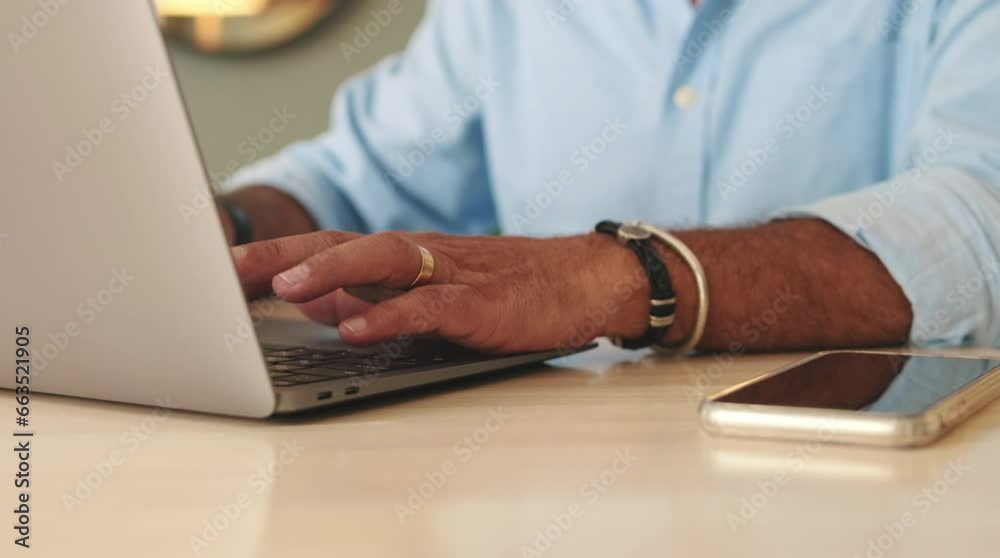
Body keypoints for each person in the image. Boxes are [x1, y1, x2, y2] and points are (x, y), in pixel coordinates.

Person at [218, 0, 1000, 355]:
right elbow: (351, 180)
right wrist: (228, 229)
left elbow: (980, 215)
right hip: (552, 482)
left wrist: (604, 278)